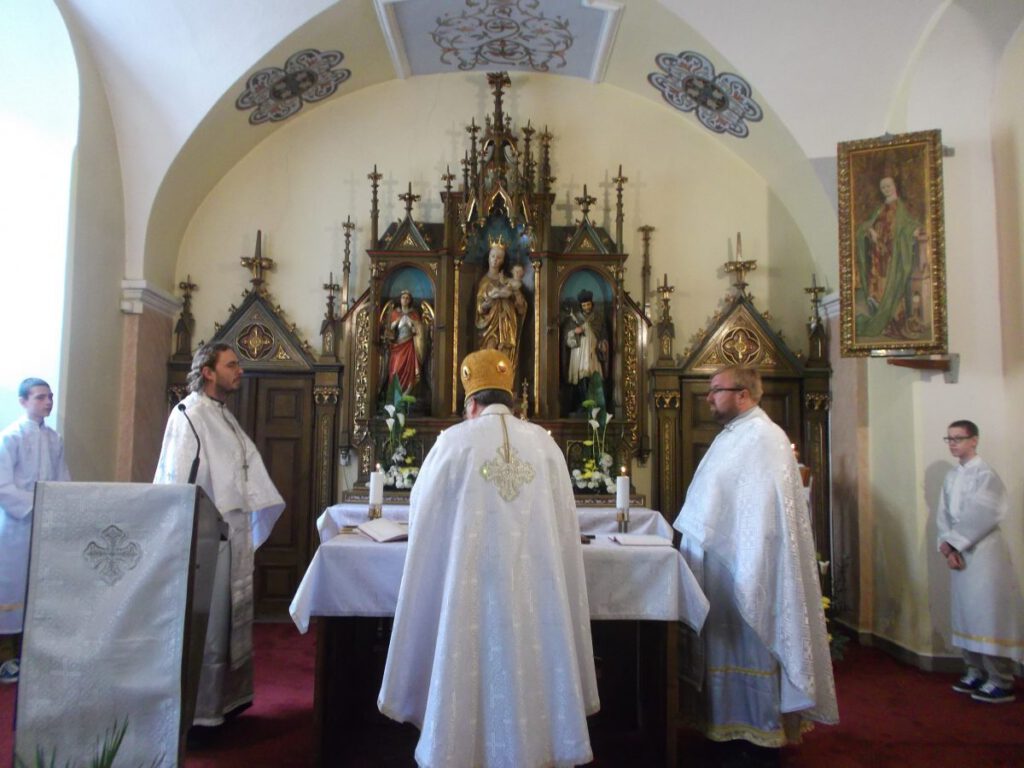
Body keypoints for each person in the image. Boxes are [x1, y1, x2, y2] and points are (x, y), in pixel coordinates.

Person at [378, 349, 598, 768]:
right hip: (536, 593)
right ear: (510, 400)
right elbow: (566, 522)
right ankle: (538, 748)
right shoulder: (545, 445)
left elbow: (422, 512)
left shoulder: (453, 442)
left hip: (469, 590)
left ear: (472, 404)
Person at [673, 365, 837, 763]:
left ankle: (757, 738)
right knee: (724, 649)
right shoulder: (733, 435)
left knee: (749, 649)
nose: (709, 398)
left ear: (743, 394)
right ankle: (727, 731)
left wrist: (749, 563)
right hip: (722, 569)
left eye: (716, 390)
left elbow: (765, 515)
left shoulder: (765, 438)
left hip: (749, 570)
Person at [154, 342, 284, 726]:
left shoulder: (222, 415)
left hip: (231, 534)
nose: (239, 370)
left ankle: (225, 700)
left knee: (228, 622)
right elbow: (179, 478)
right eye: (231, 364)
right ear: (208, 372)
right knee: (208, 625)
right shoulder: (189, 415)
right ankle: (199, 711)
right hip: (205, 540)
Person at [937, 420, 1023, 704]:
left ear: (974, 440)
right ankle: (974, 670)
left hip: (984, 553)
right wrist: (948, 548)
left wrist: (955, 542)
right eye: (949, 439)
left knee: (988, 614)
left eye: (958, 438)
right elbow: (943, 515)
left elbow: (985, 513)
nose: (953, 443)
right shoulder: (952, 476)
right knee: (965, 612)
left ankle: (1000, 678)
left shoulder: (986, 475)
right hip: (959, 554)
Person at [0, 378, 70, 684]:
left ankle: (31, 653)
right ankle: (5, 657)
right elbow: (3, 486)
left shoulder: (54, 439)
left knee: (39, 587)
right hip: (15, 528)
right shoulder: (10, 437)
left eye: (50, 396)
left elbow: (62, 480)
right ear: (23, 401)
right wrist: (37, 504)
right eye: (40, 397)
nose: (48, 402)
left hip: (45, 524)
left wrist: (60, 505)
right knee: (11, 589)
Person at [854, 175, 930, 339]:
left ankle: (894, 321)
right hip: (877, 256)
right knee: (878, 289)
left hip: (891, 258)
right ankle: (884, 323)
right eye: (883, 187)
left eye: (888, 185)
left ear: (895, 186)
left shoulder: (900, 208)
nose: (886, 189)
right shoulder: (880, 209)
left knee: (891, 287)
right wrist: (870, 230)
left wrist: (913, 231)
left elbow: (908, 226)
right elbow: (866, 226)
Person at [475, 239, 527, 371]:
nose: (495, 260)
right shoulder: (484, 282)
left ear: (503, 261)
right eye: (493, 256)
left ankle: (504, 382)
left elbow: (521, 307)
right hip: (489, 326)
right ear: (488, 257)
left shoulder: (509, 281)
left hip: (507, 324)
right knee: (489, 355)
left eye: (499, 258)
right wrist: (488, 303)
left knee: (504, 359)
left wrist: (516, 297)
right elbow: (480, 308)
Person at [563, 289, 609, 411]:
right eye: (584, 305)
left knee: (593, 377)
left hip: (593, 351)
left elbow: (603, 335)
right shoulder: (574, 318)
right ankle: (582, 404)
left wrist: (603, 344)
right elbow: (567, 337)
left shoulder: (597, 318)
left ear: (592, 304)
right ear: (581, 306)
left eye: (588, 304)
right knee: (581, 377)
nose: (587, 307)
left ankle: (593, 404)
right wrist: (575, 331)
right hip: (579, 352)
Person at [383, 289, 428, 393]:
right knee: (395, 369)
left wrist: (414, 326)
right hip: (398, 345)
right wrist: (397, 321)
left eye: (407, 298)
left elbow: (419, 329)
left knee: (409, 371)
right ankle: (394, 394)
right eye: (403, 297)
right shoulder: (395, 313)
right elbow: (389, 329)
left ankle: (407, 394)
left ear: (410, 300)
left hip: (409, 345)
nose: (405, 300)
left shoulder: (414, 314)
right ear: (400, 299)